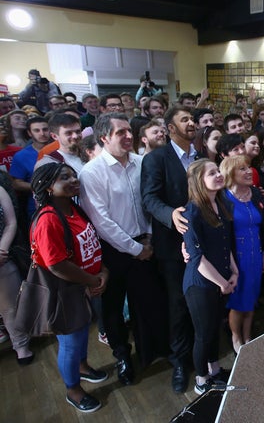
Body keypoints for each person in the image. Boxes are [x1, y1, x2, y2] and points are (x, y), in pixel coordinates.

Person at [80, 113, 168, 384]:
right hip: (115, 251)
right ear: (104, 138)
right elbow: (101, 221)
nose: (128, 136)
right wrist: (134, 248)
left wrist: (150, 239)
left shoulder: (142, 163)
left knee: (149, 302)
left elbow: (152, 202)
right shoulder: (92, 172)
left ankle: (153, 350)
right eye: (120, 132)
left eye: (129, 131)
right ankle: (122, 357)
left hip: (146, 243)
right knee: (114, 309)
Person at [29, 163, 109, 413]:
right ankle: (73, 390)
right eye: (65, 178)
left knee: (82, 331)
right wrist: (91, 280)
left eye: (74, 175)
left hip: (84, 284)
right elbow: (56, 265)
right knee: (70, 342)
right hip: (65, 291)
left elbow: (91, 244)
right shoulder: (48, 219)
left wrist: (102, 271)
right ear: (49, 187)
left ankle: (82, 367)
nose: (74, 179)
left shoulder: (74, 208)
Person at [141, 105, 197, 393]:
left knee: (202, 300)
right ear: (170, 128)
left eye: (192, 118)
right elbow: (149, 199)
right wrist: (169, 214)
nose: (191, 123)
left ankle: (203, 355)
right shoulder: (156, 159)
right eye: (184, 119)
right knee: (178, 304)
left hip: (202, 242)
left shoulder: (199, 156)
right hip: (173, 245)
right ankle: (179, 361)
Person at [182, 159, 237, 395]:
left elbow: (226, 244)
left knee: (214, 327)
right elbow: (198, 258)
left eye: (218, 171)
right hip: (201, 284)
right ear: (198, 181)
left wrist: (234, 271)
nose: (218, 175)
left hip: (221, 280)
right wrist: (222, 283)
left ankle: (214, 370)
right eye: (211, 173)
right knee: (203, 334)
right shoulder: (191, 212)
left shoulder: (221, 204)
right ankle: (202, 381)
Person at [220, 155, 264, 352]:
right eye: (242, 169)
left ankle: (248, 336)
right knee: (238, 299)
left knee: (252, 295)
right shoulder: (223, 198)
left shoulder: (256, 193)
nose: (249, 171)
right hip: (236, 256)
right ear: (231, 174)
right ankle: (236, 337)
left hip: (255, 252)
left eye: (248, 167)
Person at [0, 185, 33, 365]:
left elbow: (11, 222)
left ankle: (21, 347)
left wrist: (2, 249)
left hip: (3, 257)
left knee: (11, 306)